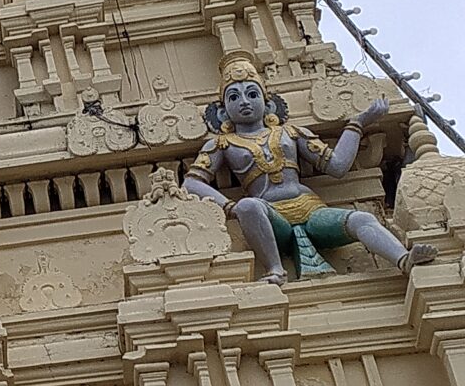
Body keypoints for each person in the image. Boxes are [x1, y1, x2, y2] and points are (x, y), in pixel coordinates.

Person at [183, 70, 435, 283]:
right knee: (248, 206)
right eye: (234, 97)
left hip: (311, 209)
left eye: (252, 94)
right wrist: (229, 207)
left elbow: (337, 166)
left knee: (362, 218)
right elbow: (192, 182)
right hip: (271, 216)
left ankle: (403, 259)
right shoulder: (222, 144)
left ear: (267, 103)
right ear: (224, 111)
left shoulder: (291, 132)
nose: (244, 102)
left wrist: (357, 123)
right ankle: (275, 268)